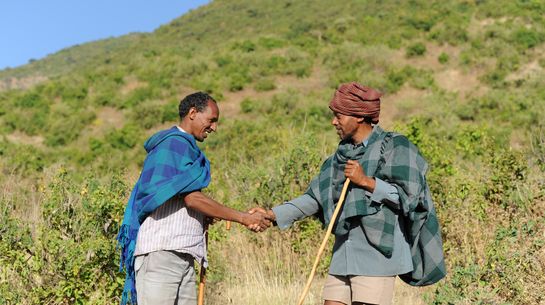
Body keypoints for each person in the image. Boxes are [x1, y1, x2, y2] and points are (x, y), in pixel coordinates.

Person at [252, 82, 445, 305]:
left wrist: (366, 182)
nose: (334, 122)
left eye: (339, 116)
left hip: (378, 256)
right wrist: (272, 215)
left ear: (359, 117)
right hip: (344, 253)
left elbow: (409, 197)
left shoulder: (395, 147)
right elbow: (314, 198)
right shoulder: (340, 156)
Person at [117, 92, 272, 305]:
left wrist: (203, 216)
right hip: (161, 254)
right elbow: (192, 199)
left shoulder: (187, 150)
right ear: (192, 113)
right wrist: (244, 218)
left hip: (184, 256)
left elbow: (180, 198)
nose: (214, 127)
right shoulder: (173, 145)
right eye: (211, 120)